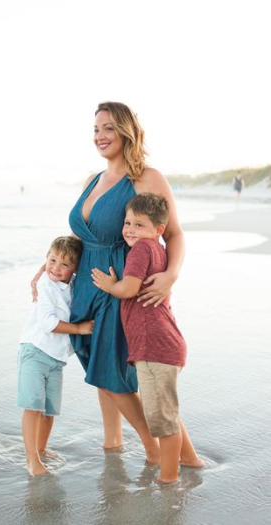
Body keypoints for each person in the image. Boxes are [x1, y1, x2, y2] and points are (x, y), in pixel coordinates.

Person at [31, 101, 185, 462]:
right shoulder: (92, 180)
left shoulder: (147, 178)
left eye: (108, 128)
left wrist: (169, 277)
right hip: (84, 283)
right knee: (100, 365)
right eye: (96, 129)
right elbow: (78, 240)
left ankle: (157, 450)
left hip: (119, 284)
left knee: (108, 367)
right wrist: (47, 269)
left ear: (127, 131)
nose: (100, 136)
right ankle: (113, 442)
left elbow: (174, 234)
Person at [92, 193, 203, 483]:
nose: (129, 229)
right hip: (164, 344)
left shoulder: (142, 249)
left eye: (139, 225)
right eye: (127, 223)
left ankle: (169, 478)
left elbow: (129, 289)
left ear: (158, 230)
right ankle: (190, 463)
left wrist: (110, 284)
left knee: (164, 422)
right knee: (165, 413)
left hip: (156, 348)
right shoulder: (158, 250)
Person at [18, 236, 94, 476]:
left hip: (56, 358)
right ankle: (32, 460)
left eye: (64, 265)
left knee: (50, 410)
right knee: (33, 407)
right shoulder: (45, 285)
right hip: (35, 351)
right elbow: (49, 323)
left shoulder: (70, 285)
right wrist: (80, 329)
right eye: (51, 261)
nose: (55, 268)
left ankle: (41, 449)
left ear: (74, 269)